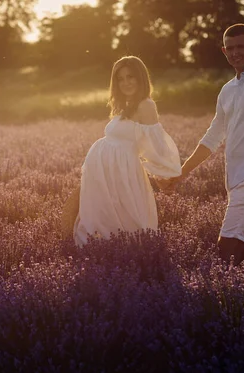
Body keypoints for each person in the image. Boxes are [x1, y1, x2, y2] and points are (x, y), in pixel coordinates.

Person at [164, 23, 244, 265]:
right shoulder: (227, 90)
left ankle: (221, 299)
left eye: (241, 47)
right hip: (234, 179)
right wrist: (181, 173)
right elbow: (212, 137)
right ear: (224, 51)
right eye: (230, 48)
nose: (235, 53)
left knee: (226, 250)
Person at [71, 56, 182, 246]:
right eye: (120, 79)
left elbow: (156, 146)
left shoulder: (146, 105)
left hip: (123, 173)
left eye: (131, 77)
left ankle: (127, 265)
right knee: (107, 221)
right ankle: (108, 260)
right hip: (108, 174)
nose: (125, 83)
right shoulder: (125, 105)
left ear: (141, 78)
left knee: (126, 223)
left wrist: (163, 175)